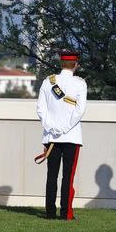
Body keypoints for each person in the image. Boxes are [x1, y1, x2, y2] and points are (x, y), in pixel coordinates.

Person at [36, 50, 87, 220]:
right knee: (68, 177)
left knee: (51, 176)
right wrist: (64, 128)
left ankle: (50, 213)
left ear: (61, 63)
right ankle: (66, 213)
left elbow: (41, 110)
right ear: (76, 65)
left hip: (51, 137)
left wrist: (53, 128)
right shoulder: (80, 83)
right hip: (71, 136)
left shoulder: (48, 81)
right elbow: (80, 111)